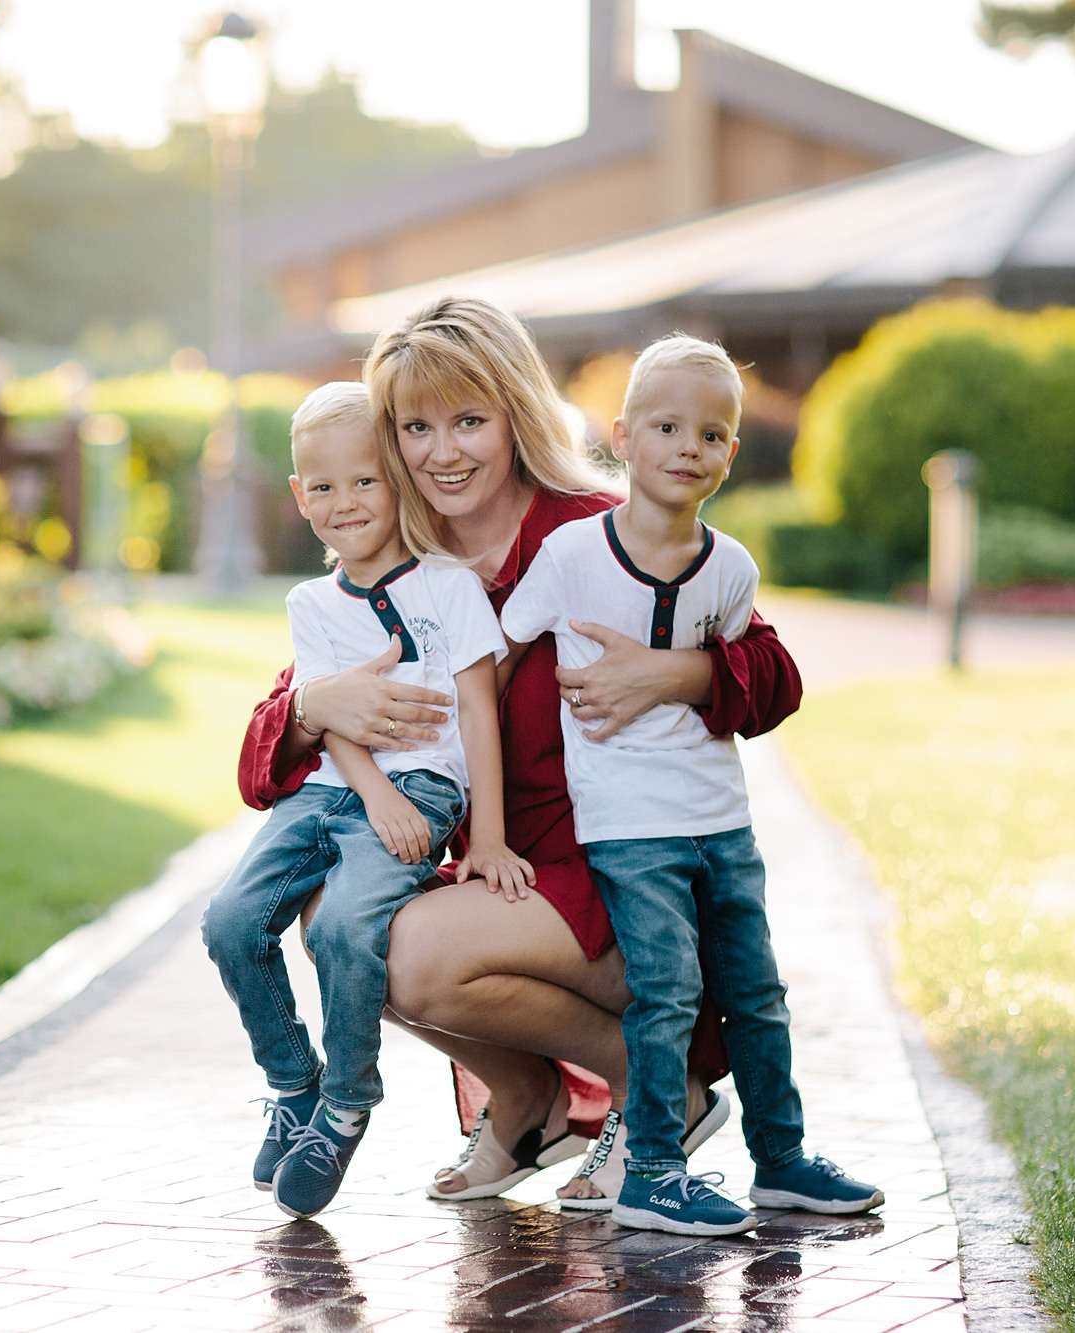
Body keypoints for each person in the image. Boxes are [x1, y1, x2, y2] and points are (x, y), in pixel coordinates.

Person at [236, 296, 805, 1205]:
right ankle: (527, 1096)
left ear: (515, 415)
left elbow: (773, 672)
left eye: (471, 420)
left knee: (403, 948)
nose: (444, 451)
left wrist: (675, 673)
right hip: (505, 886)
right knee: (336, 919)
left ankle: (662, 1085)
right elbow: (260, 763)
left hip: (623, 880)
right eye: (416, 427)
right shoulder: (397, 560)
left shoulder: (600, 532)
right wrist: (311, 705)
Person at [498, 334, 883, 1234]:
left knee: (757, 992)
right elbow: (500, 650)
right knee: (665, 990)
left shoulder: (733, 568)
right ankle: (655, 1170)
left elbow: (749, 666)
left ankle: (781, 1160)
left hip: (724, 820)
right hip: (628, 826)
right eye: (666, 427)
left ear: (731, 454)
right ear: (623, 436)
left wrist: (681, 669)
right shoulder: (571, 556)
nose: (687, 447)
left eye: (711, 434)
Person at [201, 381, 534, 1219]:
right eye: (322, 486)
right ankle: (294, 1082)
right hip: (331, 787)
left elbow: (477, 712)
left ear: (396, 478)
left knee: (347, 928)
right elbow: (330, 706)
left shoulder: (449, 587)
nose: (344, 502)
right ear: (298, 497)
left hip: (422, 788)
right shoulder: (309, 603)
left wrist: (483, 835)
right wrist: (367, 786)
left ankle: (348, 1102)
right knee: (232, 921)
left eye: (364, 481)